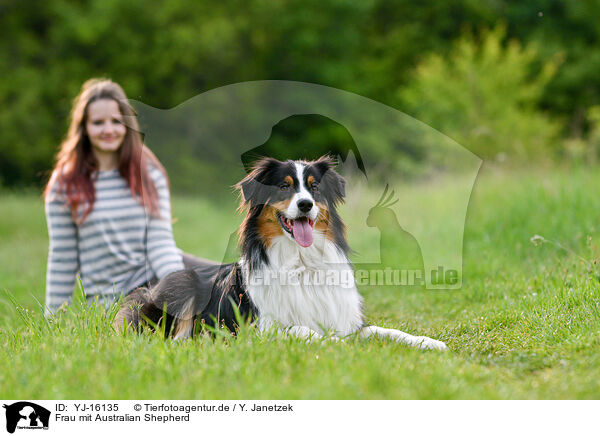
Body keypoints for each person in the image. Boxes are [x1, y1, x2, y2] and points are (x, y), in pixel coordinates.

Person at [44, 78, 187, 314]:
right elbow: (62, 259)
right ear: (84, 128)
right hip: (116, 302)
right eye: (98, 122)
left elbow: (160, 244)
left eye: (116, 121)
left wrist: (180, 288)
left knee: (224, 282)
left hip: (157, 274)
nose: (108, 130)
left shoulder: (149, 173)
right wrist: (53, 319)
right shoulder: (64, 184)